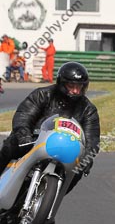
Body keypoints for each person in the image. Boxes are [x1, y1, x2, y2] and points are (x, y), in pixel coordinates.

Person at [0, 62, 100, 193]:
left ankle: (53, 198)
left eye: (79, 86)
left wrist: (87, 157)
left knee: (79, 169)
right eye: (71, 86)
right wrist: (24, 135)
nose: (76, 90)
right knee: (11, 144)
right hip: (34, 141)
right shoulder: (42, 95)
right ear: (62, 83)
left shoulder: (88, 109)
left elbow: (92, 138)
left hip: (66, 149)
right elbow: (24, 116)